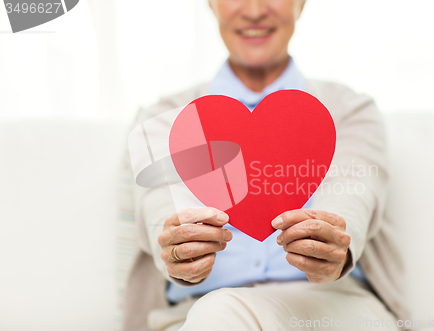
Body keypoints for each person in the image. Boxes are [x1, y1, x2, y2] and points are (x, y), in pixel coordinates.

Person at [121, 0, 409, 330]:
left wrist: (335, 243)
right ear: (210, 4)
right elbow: (158, 211)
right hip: (196, 313)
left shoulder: (349, 110)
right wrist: (177, 248)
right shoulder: (164, 119)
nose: (255, 11)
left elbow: (356, 197)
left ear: (301, 3)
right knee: (219, 312)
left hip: (333, 309)